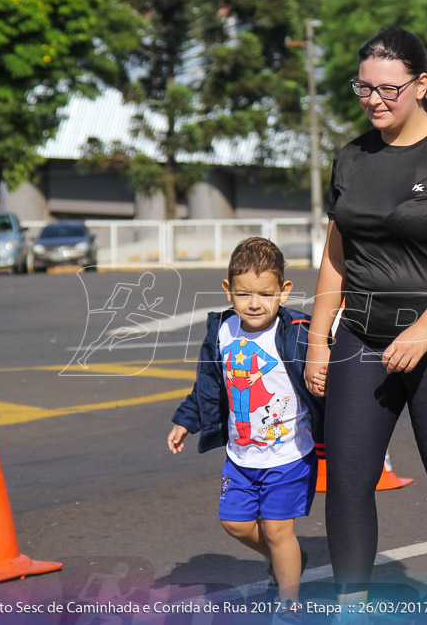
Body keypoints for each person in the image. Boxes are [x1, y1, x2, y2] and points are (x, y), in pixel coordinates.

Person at [304, 26, 427, 603]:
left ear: (420, 84)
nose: (374, 101)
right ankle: (352, 607)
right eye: (363, 89)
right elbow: (336, 255)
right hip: (362, 337)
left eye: (388, 89)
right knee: (348, 478)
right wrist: (319, 339)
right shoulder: (351, 157)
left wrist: (424, 329)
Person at [167, 237, 324, 610]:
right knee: (235, 524)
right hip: (241, 454)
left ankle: (289, 603)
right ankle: (290, 557)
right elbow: (209, 385)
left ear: (283, 292)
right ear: (228, 291)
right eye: (243, 294)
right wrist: (186, 420)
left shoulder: (299, 332)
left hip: (289, 454)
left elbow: (327, 371)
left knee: (276, 528)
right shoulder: (222, 332)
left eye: (265, 294)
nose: (254, 303)